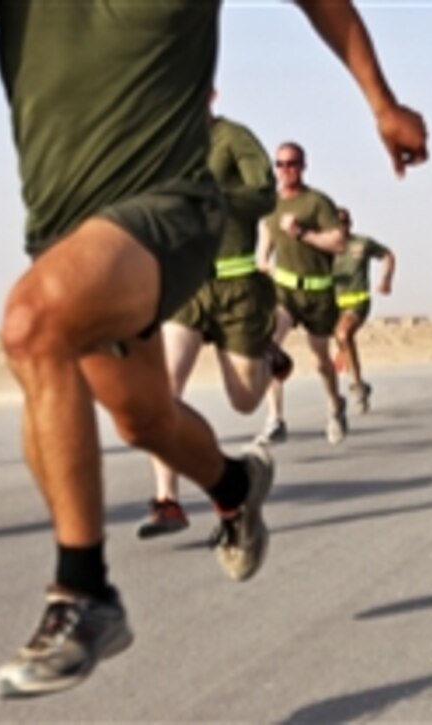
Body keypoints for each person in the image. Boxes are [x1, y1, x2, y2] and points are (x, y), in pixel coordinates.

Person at [0, 0, 427, 698]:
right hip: (67, 231)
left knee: (29, 323)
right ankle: (235, 487)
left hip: (172, 208)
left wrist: (381, 102)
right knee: (143, 417)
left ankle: (84, 590)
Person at [136, 106, 289, 540]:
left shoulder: (234, 138)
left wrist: (215, 199)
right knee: (163, 389)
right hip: (186, 286)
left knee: (244, 400)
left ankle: (264, 349)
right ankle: (168, 501)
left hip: (238, 285)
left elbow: (265, 194)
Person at [255, 142, 350, 446]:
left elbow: (339, 243)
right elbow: (265, 242)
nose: (286, 169)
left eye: (292, 163)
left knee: (320, 361)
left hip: (318, 294)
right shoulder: (272, 204)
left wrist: (302, 233)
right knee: (270, 348)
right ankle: (275, 419)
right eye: (280, 164)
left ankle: (335, 407)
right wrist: (262, 264)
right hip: (285, 291)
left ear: (303, 165)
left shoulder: (317, 202)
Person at [332, 207, 396, 413]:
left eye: (343, 222)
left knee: (343, 334)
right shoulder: (325, 247)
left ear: (350, 223)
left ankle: (356, 386)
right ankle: (359, 383)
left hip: (358, 301)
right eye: (336, 222)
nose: (340, 226)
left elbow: (387, 255)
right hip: (334, 305)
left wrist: (386, 279)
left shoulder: (361, 243)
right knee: (342, 340)